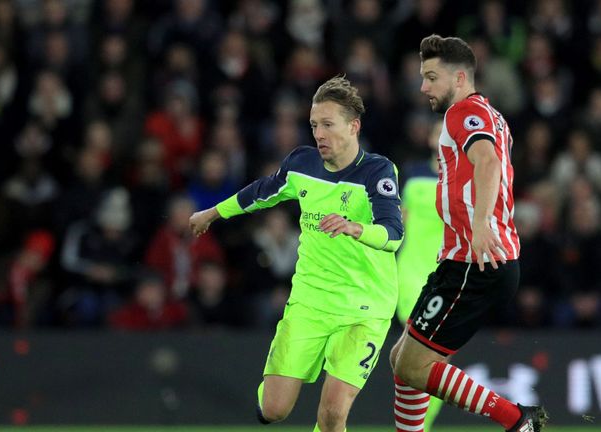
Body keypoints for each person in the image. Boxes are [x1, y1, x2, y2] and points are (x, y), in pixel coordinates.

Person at [188, 76, 403, 432]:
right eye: (314, 125)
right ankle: (271, 393)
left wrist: (356, 228)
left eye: (328, 125)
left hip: (365, 307)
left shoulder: (378, 171)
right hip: (310, 302)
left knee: (333, 413)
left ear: (354, 126)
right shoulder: (302, 164)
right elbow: (261, 192)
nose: (319, 133)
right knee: (274, 410)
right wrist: (213, 212)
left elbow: (393, 234)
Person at [389, 35, 548, 432]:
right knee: (402, 362)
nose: (423, 87)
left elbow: (488, 161)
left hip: (473, 261)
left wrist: (479, 227)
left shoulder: (462, 113)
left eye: (430, 77)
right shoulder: (491, 115)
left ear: (459, 78)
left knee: (413, 365)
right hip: (463, 260)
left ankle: (517, 420)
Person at [395, 119, 444, 431]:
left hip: (446, 277)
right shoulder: (411, 173)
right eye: (440, 132)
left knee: (434, 361)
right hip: (409, 272)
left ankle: (419, 425)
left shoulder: (469, 179)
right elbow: (398, 221)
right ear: (430, 138)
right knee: (420, 353)